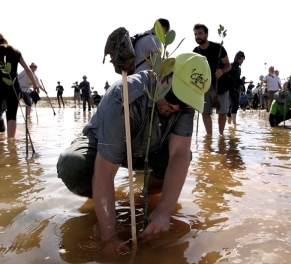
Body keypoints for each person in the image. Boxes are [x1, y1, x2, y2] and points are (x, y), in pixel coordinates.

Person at [57, 53, 210, 252]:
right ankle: (106, 201)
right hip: (104, 146)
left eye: (187, 102)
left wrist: (164, 211)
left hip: (149, 151)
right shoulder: (127, 95)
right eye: (176, 96)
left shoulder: (181, 105)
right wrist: (109, 237)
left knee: (185, 157)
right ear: (163, 75)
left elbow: (179, 152)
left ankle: (143, 195)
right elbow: (104, 170)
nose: (177, 106)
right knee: (73, 165)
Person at [0, 32, 40, 139]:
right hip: (13, 86)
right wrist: (35, 84)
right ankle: (11, 144)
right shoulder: (15, 51)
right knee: (12, 116)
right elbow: (27, 69)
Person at [193, 23, 231, 136]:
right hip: (204, 86)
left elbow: (228, 65)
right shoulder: (195, 51)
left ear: (206, 34)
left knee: (222, 112)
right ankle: (209, 136)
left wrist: (222, 71)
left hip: (221, 85)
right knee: (205, 112)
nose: (197, 36)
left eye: (200, 33)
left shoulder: (218, 48)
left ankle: (221, 136)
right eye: (195, 34)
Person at [227, 51, 245, 125]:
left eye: (243, 60)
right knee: (235, 104)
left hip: (236, 88)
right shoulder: (230, 66)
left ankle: (229, 123)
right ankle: (234, 123)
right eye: (241, 60)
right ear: (237, 58)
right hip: (229, 88)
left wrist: (241, 81)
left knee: (232, 105)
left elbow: (237, 79)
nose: (242, 62)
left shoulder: (239, 69)